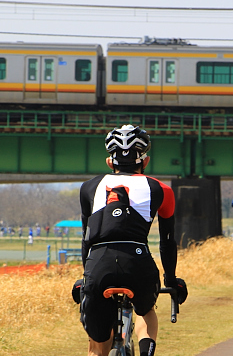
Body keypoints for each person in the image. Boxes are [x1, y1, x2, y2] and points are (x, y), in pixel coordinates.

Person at [77, 124, 188, 356]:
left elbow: (87, 238)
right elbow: (168, 240)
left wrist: (84, 277)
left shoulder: (88, 188)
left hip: (99, 263)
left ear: (110, 163)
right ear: (145, 162)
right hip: (138, 262)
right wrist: (171, 279)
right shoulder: (161, 189)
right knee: (145, 310)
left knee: (97, 347)